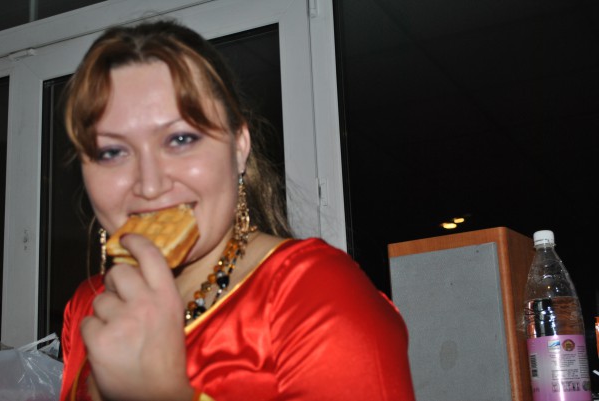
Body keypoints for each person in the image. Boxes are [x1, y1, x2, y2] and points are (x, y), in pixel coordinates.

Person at [59, 19, 416, 401]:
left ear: (239, 147)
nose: (149, 185)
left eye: (181, 139)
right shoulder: (88, 307)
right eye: (112, 152)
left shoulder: (315, 295)